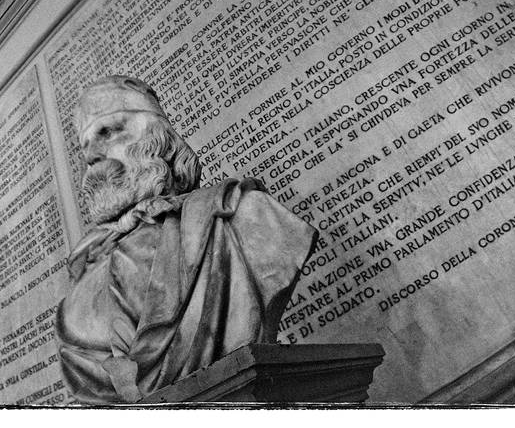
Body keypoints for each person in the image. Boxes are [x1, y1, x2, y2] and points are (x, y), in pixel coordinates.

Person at [55, 75, 318, 403]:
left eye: (108, 131)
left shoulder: (243, 215)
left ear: (158, 137)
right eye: (85, 146)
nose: (94, 153)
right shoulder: (83, 275)